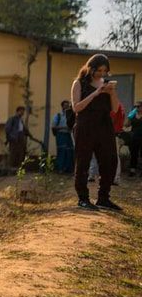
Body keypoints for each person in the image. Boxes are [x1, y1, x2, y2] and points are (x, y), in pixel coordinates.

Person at [71, 54, 122, 211]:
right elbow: (76, 108)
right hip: (85, 126)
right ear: (90, 68)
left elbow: (114, 109)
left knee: (110, 160)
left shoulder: (105, 84)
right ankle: (83, 198)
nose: (101, 73)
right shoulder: (79, 83)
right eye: (99, 70)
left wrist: (111, 92)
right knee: (83, 162)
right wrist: (96, 93)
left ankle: (103, 198)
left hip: (104, 126)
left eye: (105, 70)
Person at [52, 100, 75, 173]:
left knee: (70, 151)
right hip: (61, 135)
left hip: (68, 135)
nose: (66, 107)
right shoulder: (58, 116)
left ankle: (68, 169)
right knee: (61, 151)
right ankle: (60, 169)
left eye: (67, 105)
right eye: (65, 105)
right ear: (62, 106)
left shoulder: (70, 115)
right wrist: (64, 128)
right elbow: (54, 126)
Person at [5, 106, 30, 172]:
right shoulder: (12, 119)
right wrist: (10, 137)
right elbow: (7, 129)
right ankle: (11, 168)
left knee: (21, 153)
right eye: (21, 111)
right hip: (14, 138)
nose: (22, 113)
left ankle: (19, 168)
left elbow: (23, 129)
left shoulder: (20, 120)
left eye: (23, 111)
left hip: (21, 138)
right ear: (18, 111)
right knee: (13, 153)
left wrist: (29, 134)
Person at [126, 101, 142, 177]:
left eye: (138, 106)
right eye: (135, 106)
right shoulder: (133, 115)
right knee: (133, 154)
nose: (136, 108)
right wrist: (129, 117)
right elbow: (127, 125)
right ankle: (132, 170)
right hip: (134, 137)